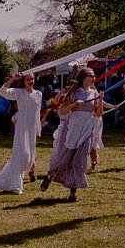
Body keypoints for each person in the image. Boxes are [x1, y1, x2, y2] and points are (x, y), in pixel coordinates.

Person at [41, 68, 103, 201]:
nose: (93, 78)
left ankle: (72, 192)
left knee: (80, 162)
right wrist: (74, 104)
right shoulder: (73, 93)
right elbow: (61, 111)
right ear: (83, 78)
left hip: (87, 130)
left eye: (94, 76)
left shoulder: (94, 93)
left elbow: (98, 114)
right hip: (73, 128)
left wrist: (101, 100)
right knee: (65, 159)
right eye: (91, 76)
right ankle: (49, 177)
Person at [0, 72, 43, 194]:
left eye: (32, 79)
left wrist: (38, 130)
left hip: (32, 127)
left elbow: (37, 114)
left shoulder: (39, 94)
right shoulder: (19, 92)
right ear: (23, 81)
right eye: (28, 79)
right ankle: (16, 185)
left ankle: (7, 180)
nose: (30, 81)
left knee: (30, 158)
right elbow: (2, 91)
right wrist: (13, 79)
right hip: (22, 126)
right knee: (21, 154)